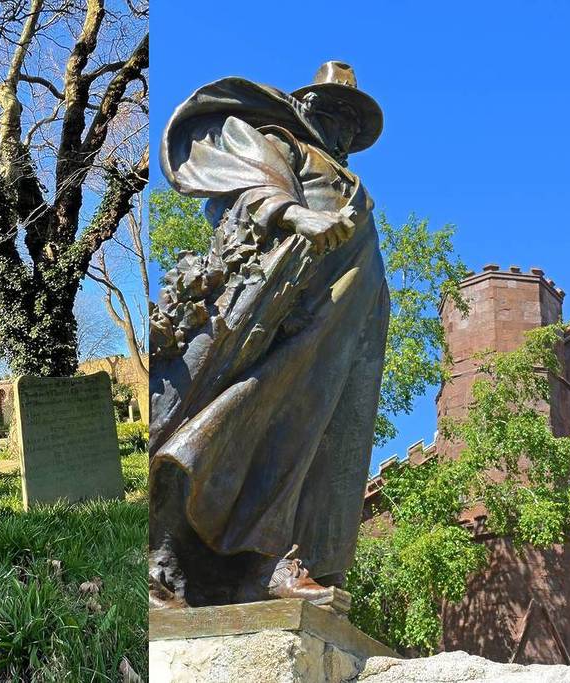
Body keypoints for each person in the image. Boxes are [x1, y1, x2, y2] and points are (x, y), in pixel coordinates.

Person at [149, 61, 390, 608]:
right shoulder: (285, 144)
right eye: (335, 111)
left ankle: (270, 565)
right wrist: (294, 214)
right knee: (237, 415)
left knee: (312, 443)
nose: (345, 128)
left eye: (354, 120)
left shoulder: (353, 181)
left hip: (345, 325)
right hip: (288, 309)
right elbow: (245, 175)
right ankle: (164, 561)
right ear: (307, 107)